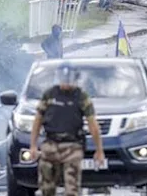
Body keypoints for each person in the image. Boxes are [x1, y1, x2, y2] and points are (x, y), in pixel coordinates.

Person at [28, 63, 106, 196]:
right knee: (46, 188)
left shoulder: (81, 97)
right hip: (50, 144)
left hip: (72, 146)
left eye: (69, 78)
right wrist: (33, 146)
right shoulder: (49, 95)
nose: (65, 82)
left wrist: (99, 150)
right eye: (62, 78)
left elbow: (93, 125)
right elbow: (37, 120)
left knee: (72, 189)